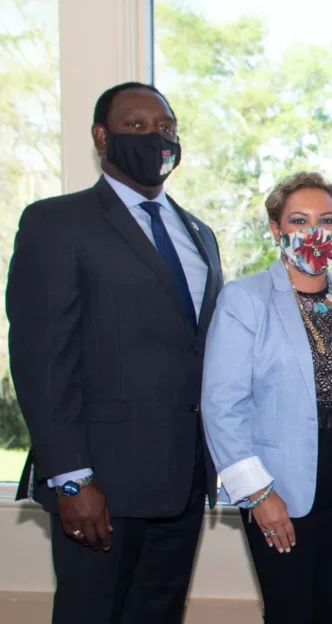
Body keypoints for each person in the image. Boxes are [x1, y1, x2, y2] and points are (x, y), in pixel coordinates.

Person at [6, 82, 223, 624]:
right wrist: (72, 479)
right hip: (100, 485)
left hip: (181, 483)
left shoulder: (199, 234)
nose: (155, 137)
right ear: (102, 137)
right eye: (136, 126)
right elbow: (41, 360)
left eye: (165, 127)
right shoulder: (57, 222)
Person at [201, 172, 332, 623]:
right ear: (275, 229)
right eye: (299, 220)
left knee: (328, 610)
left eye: (327, 220)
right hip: (278, 484)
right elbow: (222, 406)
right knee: (290, 611)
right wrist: (258, 493)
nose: (314, 231)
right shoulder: (245, 299)